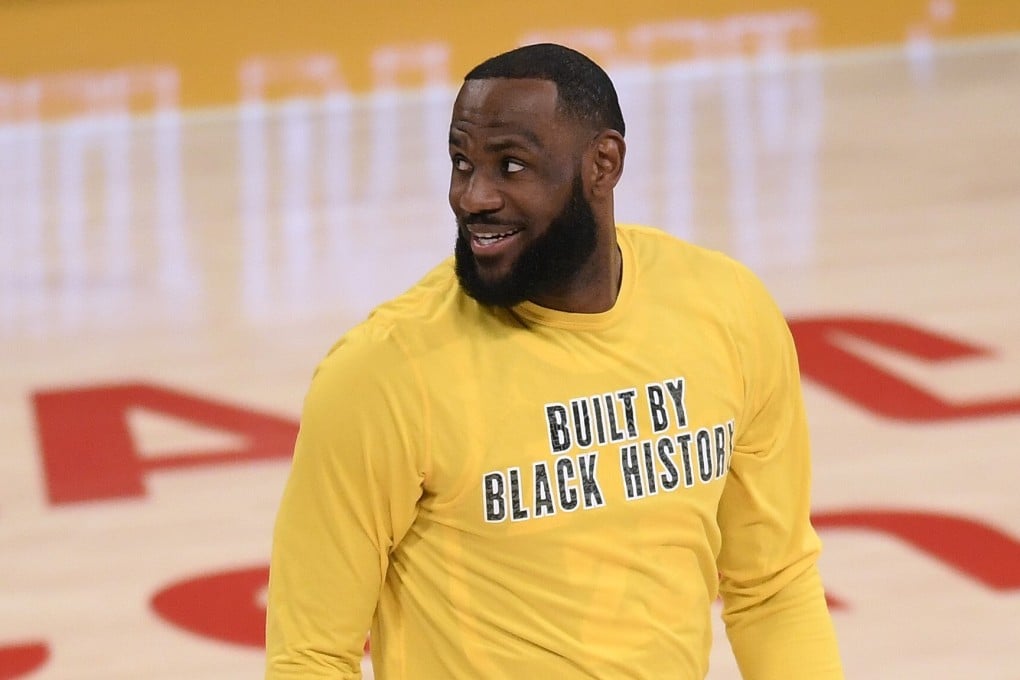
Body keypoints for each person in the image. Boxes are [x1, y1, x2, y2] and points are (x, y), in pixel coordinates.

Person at [265, 43, 843, 679]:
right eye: (462, 163)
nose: (473, 197)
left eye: (510, 166)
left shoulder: (727, 313)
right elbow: (311, 657)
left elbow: (772, 587)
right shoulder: (386, 373)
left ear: (603, 163)